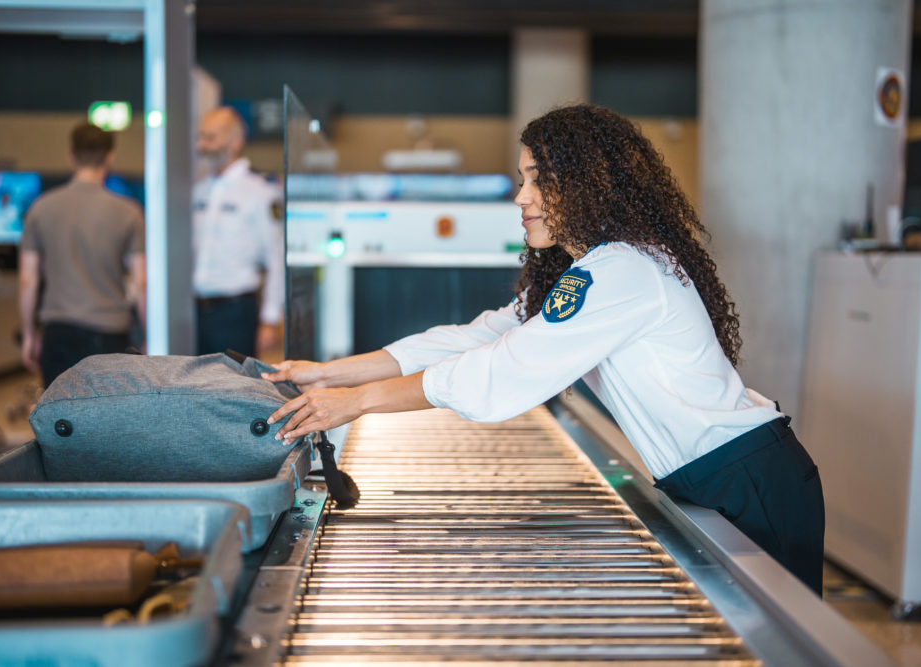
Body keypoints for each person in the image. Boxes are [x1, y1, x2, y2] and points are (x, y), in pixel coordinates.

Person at [263, 104, 825, 596]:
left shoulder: (622, 269)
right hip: (719, 474)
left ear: (589, 184)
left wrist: (358, 402)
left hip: (747, 477)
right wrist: (328, 374)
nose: (521, 196)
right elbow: (473, 337)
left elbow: (503, 371)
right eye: (522, 178)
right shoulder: (592, 267)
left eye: (539, 179)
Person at [19, 122, 145, 388]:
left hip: (58, 330)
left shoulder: (40, 208)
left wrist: (29, 335)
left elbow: (27, 280)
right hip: (110, 332)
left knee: (59, 422)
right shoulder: (128, 212)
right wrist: (147, 333)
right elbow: (141, 282)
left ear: (71, 156)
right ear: (109, 157)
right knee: (108, 420)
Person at [193, 106, 284, 358]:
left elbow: (276, 259)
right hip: (194, 312)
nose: (202, 145)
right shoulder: (198, 190)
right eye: (199, 137)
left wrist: (270, 320)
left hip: (235, 313)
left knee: (233, 390)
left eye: (210, 138)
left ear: (235, 142)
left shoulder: (260, 192)